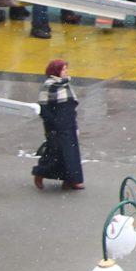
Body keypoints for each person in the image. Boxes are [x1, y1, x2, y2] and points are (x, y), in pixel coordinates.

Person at [31, 61, 83, 191]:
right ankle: (40, 173)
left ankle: (71, 180)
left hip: (69, 125)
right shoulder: (49, 86)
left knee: (71, 154)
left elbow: (71, 105)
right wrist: (54, 123)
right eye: (63, 69)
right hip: (56, 127)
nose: (66, 72)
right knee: (55, 153)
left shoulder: (66, 85)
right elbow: (43, 108)